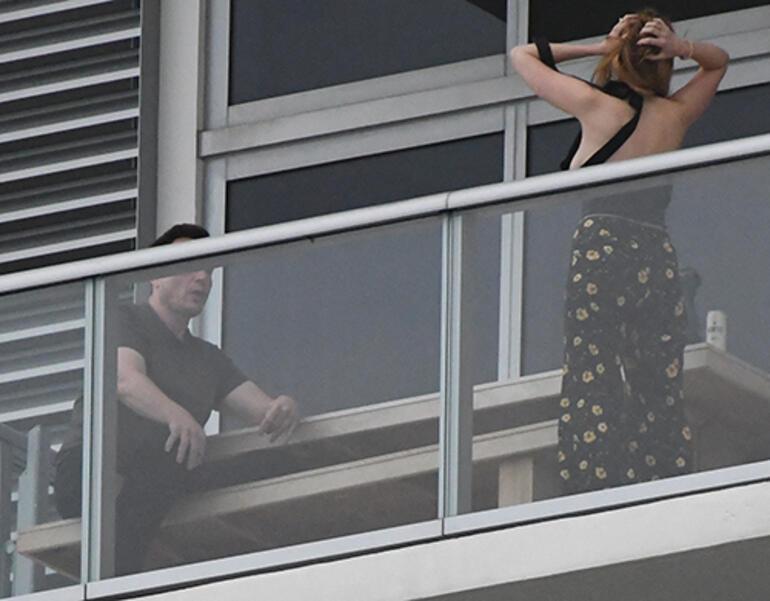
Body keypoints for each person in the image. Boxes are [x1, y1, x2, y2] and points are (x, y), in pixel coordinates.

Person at [509, 11, 729, 494]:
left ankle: (594, 483)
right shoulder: (673, 115)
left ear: (620, 58)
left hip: (603, 247)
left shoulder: (596, 106)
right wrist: (682, 49)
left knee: (593, 370)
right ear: (660, 61)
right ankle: (661, 480)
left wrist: (598, 48)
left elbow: (521, 56)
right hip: (655, 250)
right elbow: (718, 64)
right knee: (656, 375)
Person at [54, 223, 300, 575]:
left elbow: (264, 412)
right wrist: (177, 415)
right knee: (172, 455)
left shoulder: (208, 358)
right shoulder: (125, 318)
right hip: (89, 471)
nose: (202, 278)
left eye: (209, 270)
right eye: (190, 266)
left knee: (262, 464)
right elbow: (124, 380)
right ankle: (119, 577)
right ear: (155, 275)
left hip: (158, 476)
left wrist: (285, 405)